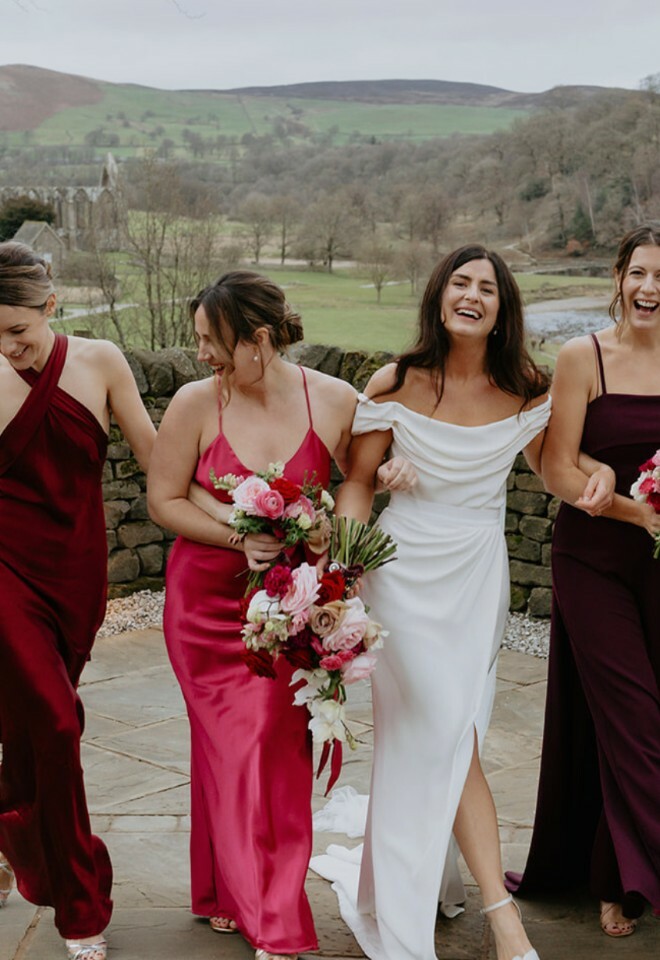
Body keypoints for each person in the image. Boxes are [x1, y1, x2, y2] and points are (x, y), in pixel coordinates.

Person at [310, 244, 613, 960]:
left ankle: (431, 881)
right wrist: (349, 569)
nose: (472, 294)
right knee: (446, 728)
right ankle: (503, 919)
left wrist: (599, 473)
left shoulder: (530, 389)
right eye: (460, 282)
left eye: (487, 287)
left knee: (450, 732)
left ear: (504, 308)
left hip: (476, 574)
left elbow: (557, 472)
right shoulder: (398, 381)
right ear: (440, 297)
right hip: (401, 569)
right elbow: (355, 481)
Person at [147, 270, 413, 960]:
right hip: (206, 609)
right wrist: (241, 537)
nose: (201, 352)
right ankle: (273, 920)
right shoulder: (192, 402)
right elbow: (165, 499)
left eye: (214, 341)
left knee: (268, 748)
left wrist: (372, 498)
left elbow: (363, 477)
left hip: (294, 605)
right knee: (231, 747)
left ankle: (233, 893)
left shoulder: (331, 399)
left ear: (260, 340)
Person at [0, 241, 156, 960]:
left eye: (18, 333)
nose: (9, 349)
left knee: (33, 727)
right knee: (57, 727)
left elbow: (160, 463)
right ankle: (79, 905)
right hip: (3, 573)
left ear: (51, 309)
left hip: (78, 575)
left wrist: (252, 506)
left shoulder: (101, 362)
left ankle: (15, 837)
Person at [506, 223, 660, 937]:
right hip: (593, 557)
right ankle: (634, 877)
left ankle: (613, 872)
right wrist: (632, 508)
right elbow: (558, 468)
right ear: (619, 278)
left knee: (618, 721)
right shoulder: (583, 357)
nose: (648, 289)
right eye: (637, 273)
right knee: (634, 718)